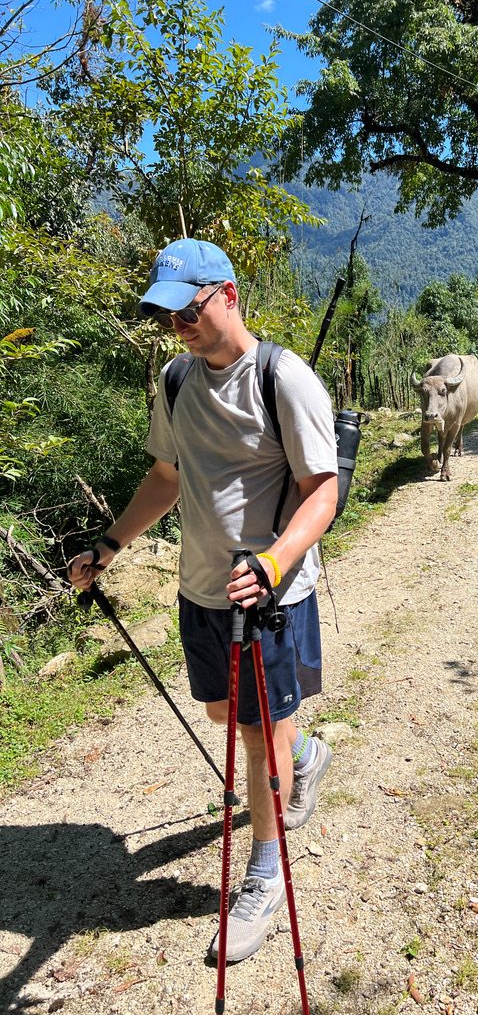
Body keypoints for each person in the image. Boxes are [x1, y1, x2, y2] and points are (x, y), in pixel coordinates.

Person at [69, 238, 338, 962]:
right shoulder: (177, 380)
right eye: (165, 317)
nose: (177, 327)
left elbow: (325, 491)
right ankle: (305, 753)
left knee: (253, 733)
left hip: (268, 595)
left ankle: (264, 875)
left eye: (186, 311)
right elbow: (165, 476)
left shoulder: (285, 378)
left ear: (226, 293)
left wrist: (277, 561)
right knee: (227, 713)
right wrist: (111, 544)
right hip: (201, 590)